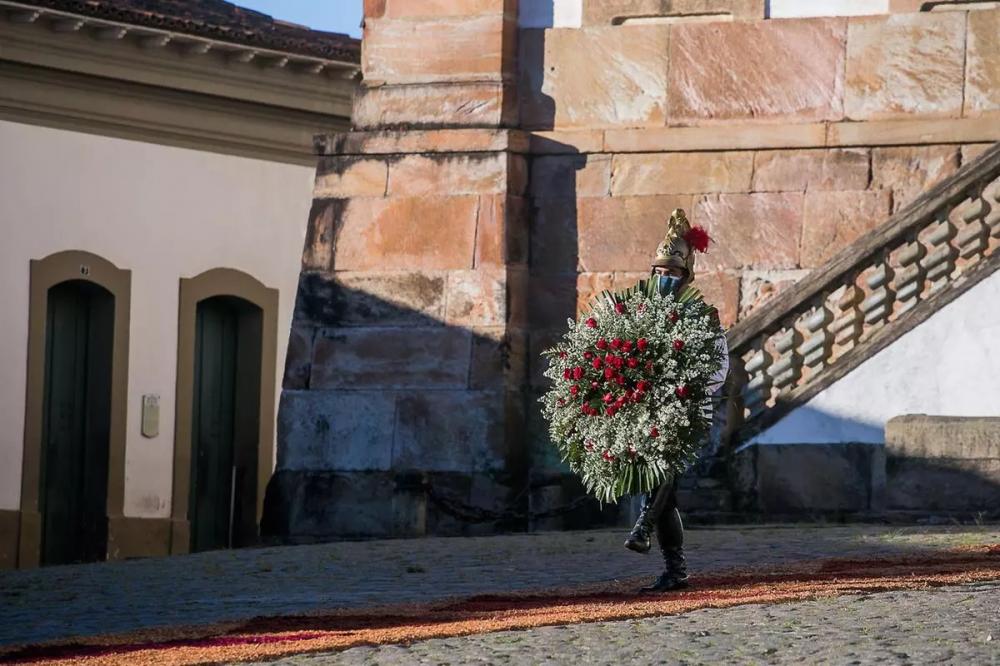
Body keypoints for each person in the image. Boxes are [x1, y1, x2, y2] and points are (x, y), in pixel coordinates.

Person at [623, 208, 730, 593]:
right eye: (660, 273)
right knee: (658, 488)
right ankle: (675, 568)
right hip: (647, 410)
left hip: (685, 410)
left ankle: (645, 529)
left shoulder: (702, 316)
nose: (665, 279)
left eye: (672, 273)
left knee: (664, 478)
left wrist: (685, 387)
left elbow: (718, 367)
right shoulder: (637, 313)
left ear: (685, 276)